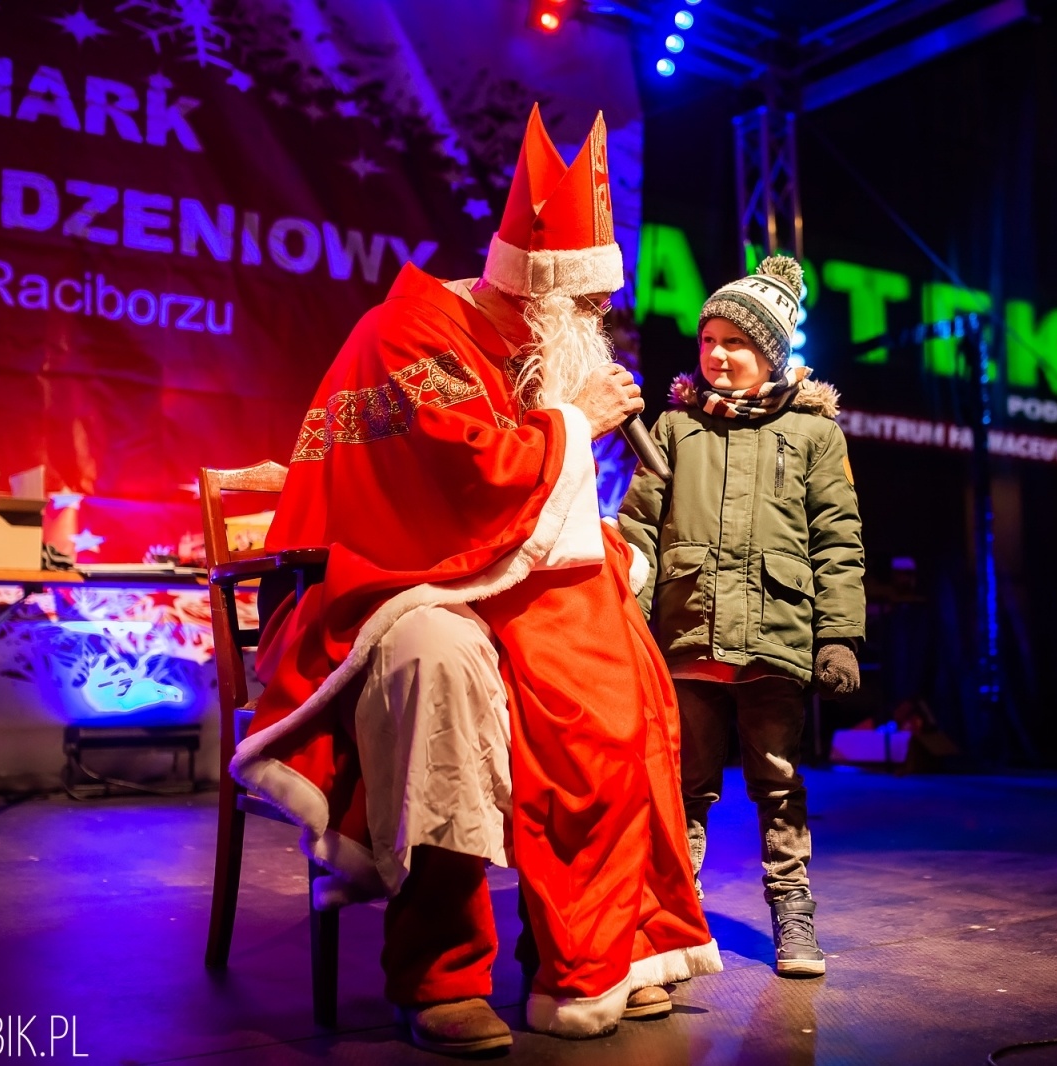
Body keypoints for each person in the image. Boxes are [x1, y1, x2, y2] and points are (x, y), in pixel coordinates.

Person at [232, 105, 719, 1055]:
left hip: (481, 575)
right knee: (444, 666)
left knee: (614, 666)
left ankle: (591, 949)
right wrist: (575, 420)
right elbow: (467, 479)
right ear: (539, 295)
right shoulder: (414, 329)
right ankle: (437, 967)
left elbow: (527, 515)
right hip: (384, 586)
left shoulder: (526, 353)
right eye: (585, 308)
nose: (597, 324)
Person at [617, 255, 865, 978]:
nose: (719, 356)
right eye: (709, 341)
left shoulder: (817, 436)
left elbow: (838, 541)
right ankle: (674, 917)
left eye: (737, 343)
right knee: (682, 784)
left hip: (775, 640)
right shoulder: (673, 428)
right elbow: (637, 529)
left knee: (779, 782)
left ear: (772, 352)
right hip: (687, 638)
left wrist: (840, 636)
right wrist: (629, 621)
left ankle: (792, 913)